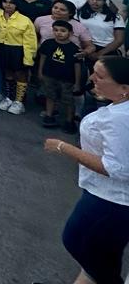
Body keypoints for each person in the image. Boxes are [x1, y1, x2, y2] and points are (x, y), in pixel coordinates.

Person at [45, 56, 129, 284]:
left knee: (77, 242)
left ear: (124, 88)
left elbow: (116, 168)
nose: (92, 78)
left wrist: (63, 147)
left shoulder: (121, 119)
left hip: (111, 201)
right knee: (100, 258)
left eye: (100, 76)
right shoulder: (119, 107)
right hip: (103, 194)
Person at [0, 0, 37, 115]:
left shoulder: (25, 20)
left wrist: (28, 59)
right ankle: (9, 98)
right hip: (0, 47)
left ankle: (19, 101)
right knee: (8, 73)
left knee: (20, 74)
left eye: (11, 2)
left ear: (16, 4)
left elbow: (30, 41)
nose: (8, 5)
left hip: (17, 49)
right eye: (5, 2)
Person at [38, 21, 82, 133]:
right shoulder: (48, 43)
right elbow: (43, 57)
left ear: (70, 33)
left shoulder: (74, 49)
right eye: (56, 30)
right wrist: (40, 72)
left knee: (68, 100)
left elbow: (77, 66)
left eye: (63, 31)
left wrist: (77, 83)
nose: (59, 33)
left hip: (67, 79)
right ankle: (49, 116)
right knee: (50, 96)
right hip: (49, 75)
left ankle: (69, 121)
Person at [78, 0, 126, 64]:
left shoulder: (115, 17)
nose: (94, 1)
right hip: (85, 47)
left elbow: (119, 40)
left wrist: (99, 54)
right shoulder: (79, 13)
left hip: (107, 50)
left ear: (104, 1)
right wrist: (87, 50)